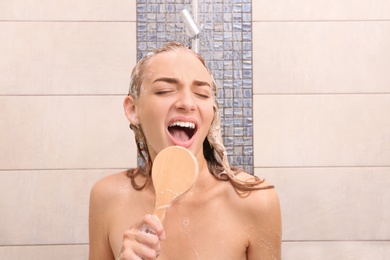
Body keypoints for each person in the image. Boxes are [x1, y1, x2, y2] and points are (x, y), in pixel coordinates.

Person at [89, 41, 282, 260]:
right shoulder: (107, 197)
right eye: (165, 90)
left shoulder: (255, 201)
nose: (187, 103)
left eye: (201, 94)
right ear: (133, 109)